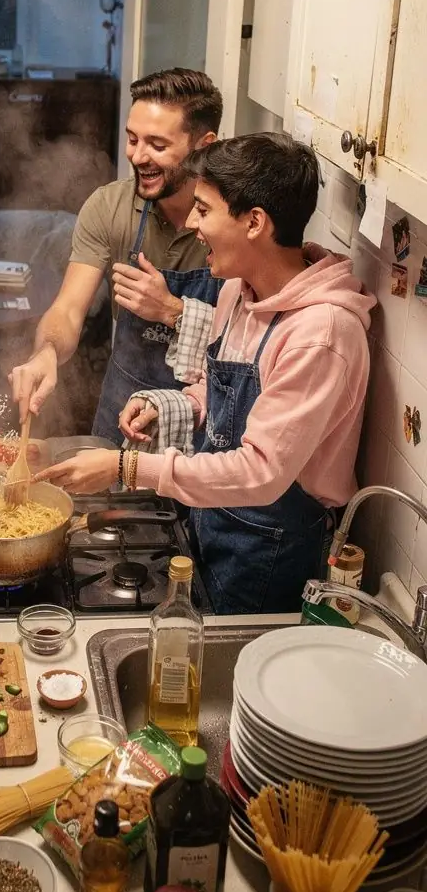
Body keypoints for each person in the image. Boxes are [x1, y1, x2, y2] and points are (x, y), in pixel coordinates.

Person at [35, 134, 375, 615]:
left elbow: (260, 473)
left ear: (254, 222)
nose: (192, 224)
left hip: (270, 551)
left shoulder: (320, 334)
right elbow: (217, 386)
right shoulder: (239, 289)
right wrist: (176, 401)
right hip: (212, 522)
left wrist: (125, 467)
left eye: (203, 209)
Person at [9, 68, 224, 443]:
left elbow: (251, 340)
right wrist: (46, 352)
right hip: (122, 411)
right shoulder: (109, 206)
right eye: (132, 139)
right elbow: (68, 309)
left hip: (204, 420)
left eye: (157, 145)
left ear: (203, 146)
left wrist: (172, 311)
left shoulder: (232, 219)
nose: (138, 156)